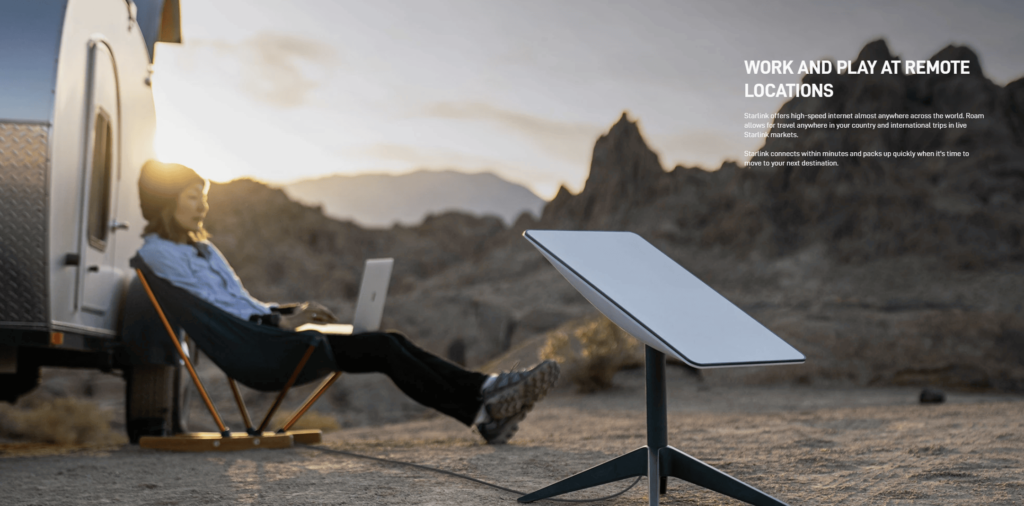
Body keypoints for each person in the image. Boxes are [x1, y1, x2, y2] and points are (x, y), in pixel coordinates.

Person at [135, 160, 558, 444]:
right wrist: (278, 326)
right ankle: (485, 401)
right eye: (192, 196)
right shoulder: (158, 252)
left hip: (267, 336)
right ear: (166, 200)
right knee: (383, 347)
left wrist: (287, 313)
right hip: (258, 353)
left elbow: (242, 301)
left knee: (386, 339)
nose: (203, 204)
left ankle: (485, 404)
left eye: (203, 195)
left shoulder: (204, 248)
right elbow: (214, 310)